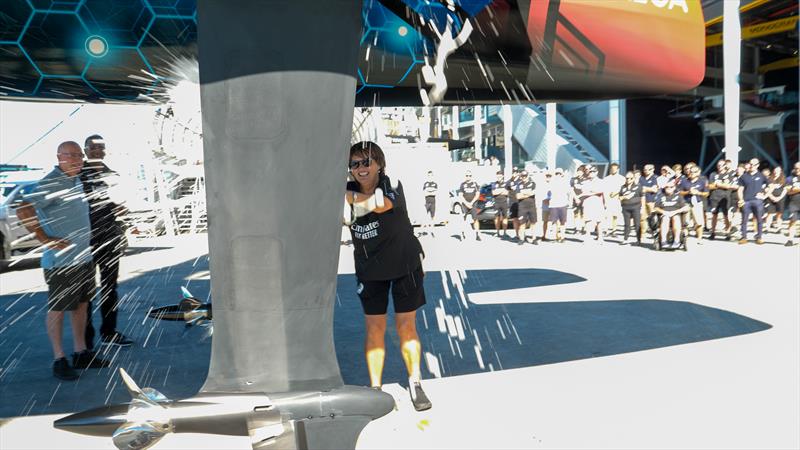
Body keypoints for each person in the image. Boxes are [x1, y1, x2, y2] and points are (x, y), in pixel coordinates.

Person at [344, 141, 432, 411]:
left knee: (406, 326)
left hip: (405, 264)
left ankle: (415, 382)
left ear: (379, 164)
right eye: (355, 164)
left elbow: (382, 205)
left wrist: (352, 203)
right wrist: (354, 201)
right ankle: (375, 389)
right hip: (370, 269)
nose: (361, 168)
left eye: (366, 162)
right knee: (375, 328)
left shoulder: (391, 186)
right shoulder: (345, 190)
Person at [15, 141, 110, 380]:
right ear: (59, 157)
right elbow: (23, 208)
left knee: (81, 306)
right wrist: (44, 239)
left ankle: (80, 352)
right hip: (61, 262)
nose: (77, 159)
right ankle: (59, 358)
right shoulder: (51, 182)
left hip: (82, 258)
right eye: (71, 155)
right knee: (58, 309)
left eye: (79, 155)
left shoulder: (75, 179)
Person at [80, 135, 133, 349]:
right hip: (87, 240)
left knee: (110, 288)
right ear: (85, 150)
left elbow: (123, 203)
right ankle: (86, 339)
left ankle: (109, 332)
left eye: (100, 147)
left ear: (105, 150)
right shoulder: (79, 175)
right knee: (86, 291)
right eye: (92, 147)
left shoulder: (112, 175)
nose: (96, 151)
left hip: (111, 238)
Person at [737, 158, 769, 245]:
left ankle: (759, 237)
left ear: (758, 165)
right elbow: (740, 189)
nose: (751, 166)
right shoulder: (743, 176)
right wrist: (741, 200)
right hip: (746, 201)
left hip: (757, 201)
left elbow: (770, 186)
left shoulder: (761, 176)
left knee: (759, 219)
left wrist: (765, 195)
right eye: (750, 164)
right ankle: (744, 237)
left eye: (754, 164)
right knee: (744, 220)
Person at [654, 181, 689, 249]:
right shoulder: (660, 196)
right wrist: (664, 212)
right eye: (667, 187)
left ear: (674, 188)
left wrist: (675, 212)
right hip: (664, 214)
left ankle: (676, 240)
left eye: (671, 187)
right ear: (664, 188)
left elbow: (685, 207)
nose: (669, 188)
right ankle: (663, 241)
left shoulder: (678, 196)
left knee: (675, 218)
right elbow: (655, 208)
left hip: (676, 214)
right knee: (665, 218)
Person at [679, 165, 709, 242]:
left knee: (699, 222)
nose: (691, 173)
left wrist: (698, 193)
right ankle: (684, 238)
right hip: (686, 203)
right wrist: (688, 192)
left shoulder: (702, 181)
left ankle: (699, 238)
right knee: (685, 222)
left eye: (694, 172)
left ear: (698, 172)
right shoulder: (684, 181)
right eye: (691, 171)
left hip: (697, 203)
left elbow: (706, 193)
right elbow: (679, 192)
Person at [576, 166, 605, 244]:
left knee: (599, 221)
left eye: (593, 172)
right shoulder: (585, 182)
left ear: (597, 172)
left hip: (598, 202)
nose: (592, 173)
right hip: (588, 202)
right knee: (587, 220)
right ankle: (587, 237)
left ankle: (600, 238)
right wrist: (592, 191)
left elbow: (600, 191)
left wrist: (591, 191)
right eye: (590, 172)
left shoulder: (601, 181)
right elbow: (584, 191)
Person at [707, 159, 733, 240]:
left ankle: (728, 233)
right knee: (714, 215)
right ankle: (713, 233)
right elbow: (710, 186)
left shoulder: (729, 175)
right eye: (718, 165)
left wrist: (717, 184)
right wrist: (721, 184)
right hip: (714, 197)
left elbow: (728, 186)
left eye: (721, 165)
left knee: (726, 216)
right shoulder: (713, 174)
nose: (720, 167)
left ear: (725, 165)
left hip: (725, 198)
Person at [615, 171, 644, 245]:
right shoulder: (623, 187)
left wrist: (643, 207)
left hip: (636, 207)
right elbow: (619, 196)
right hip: (626, 207)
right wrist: (624, 197)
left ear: (634, 178)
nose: (628, 180)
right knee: (627, 224)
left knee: (637, 224)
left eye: (631, 178)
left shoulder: (638, 186)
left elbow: (642, 197)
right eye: (627, 178)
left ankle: (638, 240)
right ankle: (625, 238)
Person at [546, 168, 572, 242]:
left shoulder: (565, 182)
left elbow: (569, 193)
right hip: (553, 204)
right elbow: (548, 193)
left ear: (562, 174)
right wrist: (548, 199)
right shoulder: (551, 182)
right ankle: (556, 237)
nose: (558, 175)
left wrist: (569, 202)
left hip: (563, 204)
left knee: (563, 222)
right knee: (554, 222)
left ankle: (562, 237)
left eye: (559, 174)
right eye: (557, 173)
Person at [457, 170, 482, 241]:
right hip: (465, 204)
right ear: (465, 176)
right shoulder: (462, 184)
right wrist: (466, 203)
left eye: (470, 176)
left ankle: (477, 235)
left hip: (473, 204)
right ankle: (462, 234)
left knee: (475, 219)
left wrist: (471, 203)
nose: (468, 177)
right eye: (467, 175)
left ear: (472, 176)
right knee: (463, 219)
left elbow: (477, 195)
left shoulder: (475, 184)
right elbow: (460, 196)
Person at [514, 170, 538, 244]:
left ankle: (534, 239)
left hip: (531, 206)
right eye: (522, 176)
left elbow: (533, 192)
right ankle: (522, 239)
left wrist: (523, 193)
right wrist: (528, 193)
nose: (524, 177)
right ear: (521, 177)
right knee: (522, 223)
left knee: (533, 223)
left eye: (525, 176)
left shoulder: (532, 183)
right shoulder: (518, 185)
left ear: (528, 176)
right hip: (522, 207)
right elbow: (518, 196)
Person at [603, 163, 625, 236]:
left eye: (615, 168)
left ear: (618, 169)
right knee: (607, 216)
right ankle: (606, 230)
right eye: (612, 168)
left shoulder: (622, 178)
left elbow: (623, 189)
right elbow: (604, 190)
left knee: (615, 216)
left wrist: (616, 193)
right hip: (608, 199)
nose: (613, 170)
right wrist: (605, 201)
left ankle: (614, 231)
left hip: (617, 200)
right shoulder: (606, 179)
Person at [765, 166, 786, 233]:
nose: (776, 172)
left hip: (780, 199)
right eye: (775, 171)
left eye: (778, 171)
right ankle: (767, 228)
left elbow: (785, 190)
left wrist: (779, 198)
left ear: (780, 172)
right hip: (770, 199)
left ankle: (779, 228)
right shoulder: (769, 179)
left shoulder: (783, 179)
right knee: (770, 214)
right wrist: (772, 197)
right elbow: (766, 189)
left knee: (779, 214)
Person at [784, 162, 800, 246]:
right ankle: (790, 239)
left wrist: (796, 189)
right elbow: (788, 192)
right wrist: (797, 190)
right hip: (794, 203)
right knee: (792, 221)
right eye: (796, 168)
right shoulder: (790, 179)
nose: (798, 169)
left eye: (799, 168)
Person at [640, 164, 659, 234]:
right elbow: (639, 189)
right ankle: (643, 233)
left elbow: (654, 190)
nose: (646, 171)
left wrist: (645, 188)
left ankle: (654, 230)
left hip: (652, 201)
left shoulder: (655, 178)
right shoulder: (641, 178)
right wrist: (649, 189)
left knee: (653, 217)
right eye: (645, 169)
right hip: (642, 201)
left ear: (652, 169)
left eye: (648, 169)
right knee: (643, 217)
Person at [491, 171, 510, 237]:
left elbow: (507, 193)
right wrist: (502, 191)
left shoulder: (506, 183)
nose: (498, 177)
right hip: (496, 203)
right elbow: (494, 193)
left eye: (500, 176)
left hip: (504, 203)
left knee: (505, 217)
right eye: (497, 176)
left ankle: (505, 232)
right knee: (497, 218)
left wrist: (498, 191)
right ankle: (497, 232)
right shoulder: (494, 184)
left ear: (503, 176)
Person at [421, 170, 438, 237]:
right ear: (427, 176)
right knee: (424, 216)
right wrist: (431, 191)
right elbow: (425, 193)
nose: (430, 177)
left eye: (431, 175)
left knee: (432, 217)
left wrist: (429, 192)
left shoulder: (435, 184)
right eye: (429, 176)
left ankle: (432, 231)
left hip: (433, 202)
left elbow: (435, 193)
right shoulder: (426, 184)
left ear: (432, 176)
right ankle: (421, 231)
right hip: (427, 202)